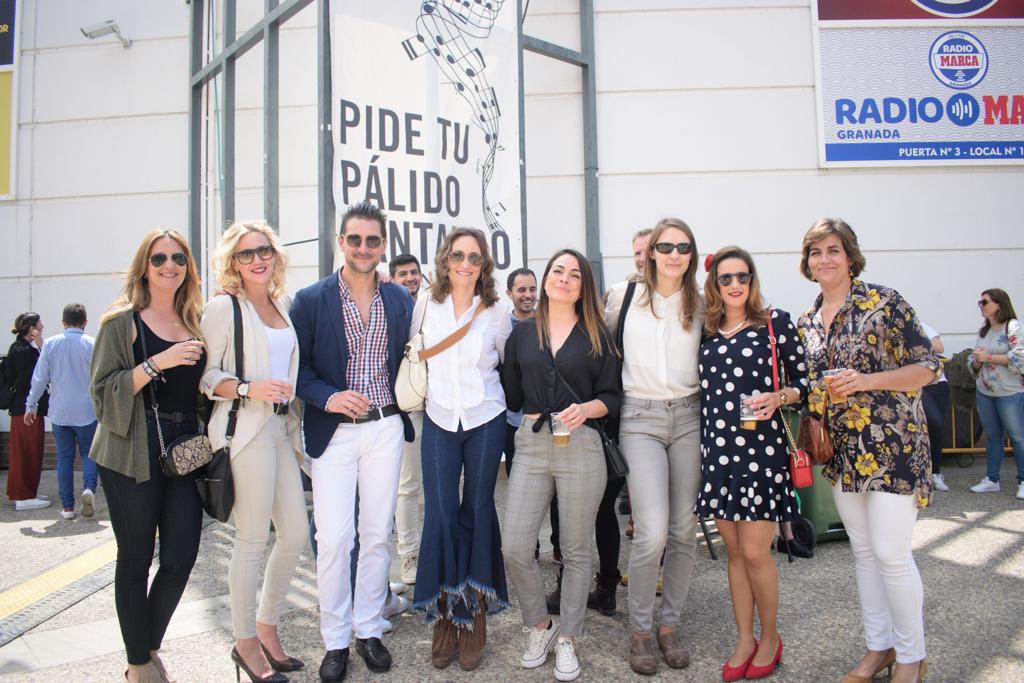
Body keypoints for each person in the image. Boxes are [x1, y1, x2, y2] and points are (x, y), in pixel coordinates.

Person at [796, 218, 939, 683]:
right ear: (807, 262)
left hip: (895, 447)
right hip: (844, 455)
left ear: (850, 256)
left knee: (891, 553)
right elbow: (814, 390)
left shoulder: (885, 302)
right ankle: (879, 648)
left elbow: (928, 367)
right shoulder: (807, 322)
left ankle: (912, 657)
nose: (825, 260)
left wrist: (867, 381)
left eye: (833, 250)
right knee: (862, 552)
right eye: (816, 252)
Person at [290, 201, 414, 682]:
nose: (364, 248)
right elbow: (297, 371)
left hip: (385, 427)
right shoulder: (310, 300)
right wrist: (328, 396)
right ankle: (335, 638)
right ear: (341, 242)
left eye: (373, 240)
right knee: (335, 537)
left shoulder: (398, 300)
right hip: (333, 433)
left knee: (379, 532)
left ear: (383, 246)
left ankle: (368, 628)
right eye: (355, 239)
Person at [90, 229, 207, 683]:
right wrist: (159, 362)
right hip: (131, 449)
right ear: (145, 266)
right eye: (159, 258)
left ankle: (147, 645)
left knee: (181, 556)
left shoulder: (194, 320)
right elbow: (102, 393)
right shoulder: (121, 323)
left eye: (178, 258)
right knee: (136, 557)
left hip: (185, 451)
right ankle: (139, 663)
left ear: (188, 268)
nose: (169, 265)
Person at [502, 249, 622, 682]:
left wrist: (588, 407)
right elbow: (512, 396)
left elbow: (612, 397)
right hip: (532, 445)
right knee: (515, 546)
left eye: (574, 274)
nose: (565, 279)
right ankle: (541, 626)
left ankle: (569, 637)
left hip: (582, 444)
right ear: (546, 278)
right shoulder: (521, 334)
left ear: (583, 285)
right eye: (558, 271)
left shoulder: (597, 334)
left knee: (575, 550)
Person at [695, 246, 809, 680]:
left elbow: (804, 381)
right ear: (715, 284)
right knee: (736, 554)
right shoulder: (705, 330)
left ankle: (771, 637)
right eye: (726, 278)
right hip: (717, 452)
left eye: (743, 276)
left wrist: (780, 396)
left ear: (752, 279)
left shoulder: (774, 323)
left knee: (758, 553)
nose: (735, 284)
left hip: (761, 453)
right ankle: (744, 636)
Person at [201, 221, 307, 682]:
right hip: (245, 429)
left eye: (263, 250)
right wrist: (250, 386)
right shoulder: (224, 308)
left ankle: (266, 626)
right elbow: (207, 378)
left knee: (297, 534)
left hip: (282, 428)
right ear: (232, 263)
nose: (257, 259)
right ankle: (245, 642)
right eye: (245, 255)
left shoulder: (281, 304)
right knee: (251, 539)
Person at [605, 218, 704, 674]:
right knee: (653, 531)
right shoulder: (622, 297)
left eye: (682, 247)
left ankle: (670, 625)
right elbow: (596, 348)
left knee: (685, 530)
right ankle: (640, 631)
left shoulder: (704, 303)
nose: (673, 254)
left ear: (691, 253)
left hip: (689, 416)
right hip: (640, 418)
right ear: (651, 253)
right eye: (665, 246)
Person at [412, 228, 513, 671]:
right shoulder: (425, 303)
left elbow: (509, 365)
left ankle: (473, 615)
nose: (466, 264)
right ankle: (443, 615)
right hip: (437, 418)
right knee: (440, 514)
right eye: (458, 255)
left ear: (484, 264)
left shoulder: (498, 310)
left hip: (484, 418)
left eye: (474, 257)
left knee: (477, 508)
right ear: (445, 259)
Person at [25, 304, 97, 520]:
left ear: (63, 322)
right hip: (87, 410)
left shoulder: (51, 344)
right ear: (85, 322)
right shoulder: (92, 344)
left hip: (60, 410)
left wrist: (31, 405)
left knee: (64, 457)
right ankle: (89, 488)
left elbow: (40, 378)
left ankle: (67, 508)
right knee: (88, 453)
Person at [968, 289, 1024, 499]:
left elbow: (1020, 357)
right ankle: (992, 479)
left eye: (985, 302)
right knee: (992, 437)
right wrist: (975, 361)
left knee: (1018, 437)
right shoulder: (984, 331)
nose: (981, 306)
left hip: (1010, 391)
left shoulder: (1013, 327)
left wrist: (988, 357)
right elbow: (976, 358)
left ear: (999, 304)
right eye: (980, 302)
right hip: (986, 391)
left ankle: (1023, 479)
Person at [389, 253, 424, 586]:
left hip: (437, 405)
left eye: (414, 272)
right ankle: (409, 554)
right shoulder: (392, 308)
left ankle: (431, 550)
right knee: (408, 485)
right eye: (403, 273)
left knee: (436, 486)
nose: (410, 277)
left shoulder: (430, 304)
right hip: (407, 407)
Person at [5, 312, 50, 511]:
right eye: (39, 323)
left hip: (26, 409)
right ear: (31, 327)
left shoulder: (21, 349)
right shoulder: (22, 351)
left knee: (30, 451)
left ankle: (26, 493)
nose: (42, 325)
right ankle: (23, 496)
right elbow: (35, 378)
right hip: (26, 410)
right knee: (26, 452)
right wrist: (41, 346)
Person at [919, 321, 950, 492]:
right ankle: (924, 474)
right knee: (934, 422)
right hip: (918, 385)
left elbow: (939, 346)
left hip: (938, 384)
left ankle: (935, 473)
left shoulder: (919, 324)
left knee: (937, 430)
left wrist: (915, 339)